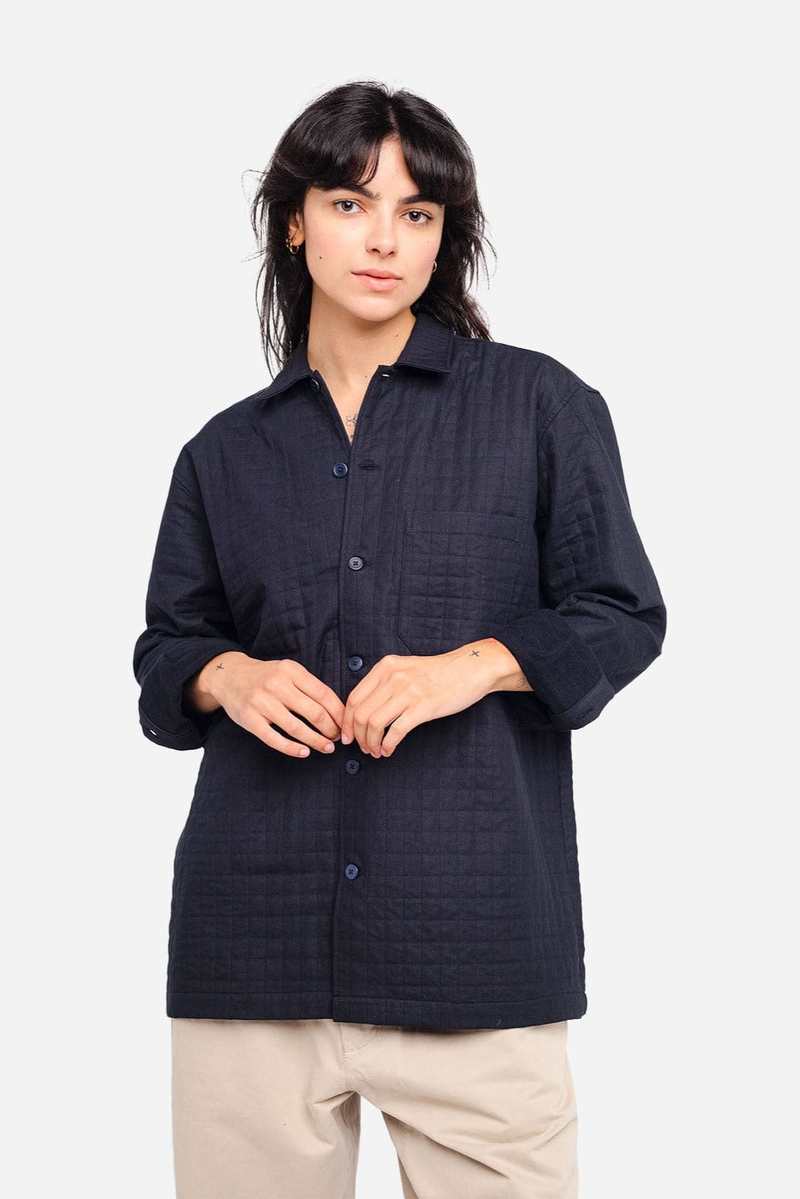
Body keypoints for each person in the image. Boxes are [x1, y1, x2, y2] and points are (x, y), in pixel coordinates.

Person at [133, 81, 667, 1199]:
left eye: (416, 213)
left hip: (468, 937)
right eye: (350, 203)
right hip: (252, 944)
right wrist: (225, 674)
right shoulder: (223, 452)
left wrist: (470, 666)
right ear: (295, 222)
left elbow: (620, 611)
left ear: (442, 237)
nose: (383, 239)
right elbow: (168, 645)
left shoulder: (537, 406)